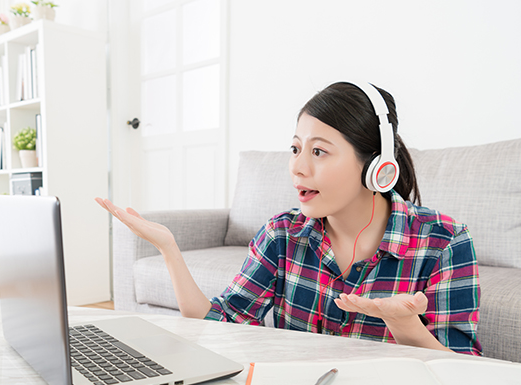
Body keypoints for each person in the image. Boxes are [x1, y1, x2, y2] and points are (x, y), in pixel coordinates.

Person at [96, 81, 481, 355]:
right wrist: (169, 249)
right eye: (295, 148)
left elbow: (464, 371)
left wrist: (404, 325)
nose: (297, 168)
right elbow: (217, 322)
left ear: (377, 167)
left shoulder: (445, 241)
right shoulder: (283, 234)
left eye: (319, 152)